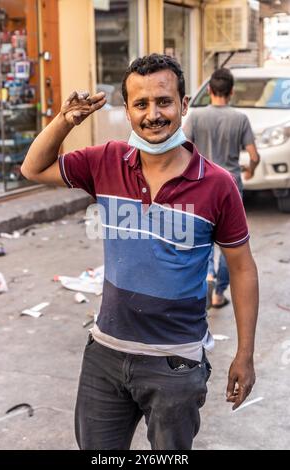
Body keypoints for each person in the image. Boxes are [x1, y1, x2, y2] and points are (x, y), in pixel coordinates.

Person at [21, 54, 259, 451]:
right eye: (141, 104)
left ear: (184, 105)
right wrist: (65, 120)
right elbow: (33, 169)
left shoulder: (217, 185)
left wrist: (245, 355)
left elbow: (242, 269)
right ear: (128, 111)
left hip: (176, 363)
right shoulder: (106, 161)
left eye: (164, 102)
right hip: (106, 355)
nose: (153, 115)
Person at [183, 68, 260, 309]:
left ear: (208, 90)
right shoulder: (240, 119)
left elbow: (183, 149)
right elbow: (254, 155)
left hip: (200, 184)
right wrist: (250, 170)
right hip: (231, 185)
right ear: (232, 92)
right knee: (232, 242)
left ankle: (207, 276)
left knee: (203, 235)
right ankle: (218, 293)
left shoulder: (195, 117)